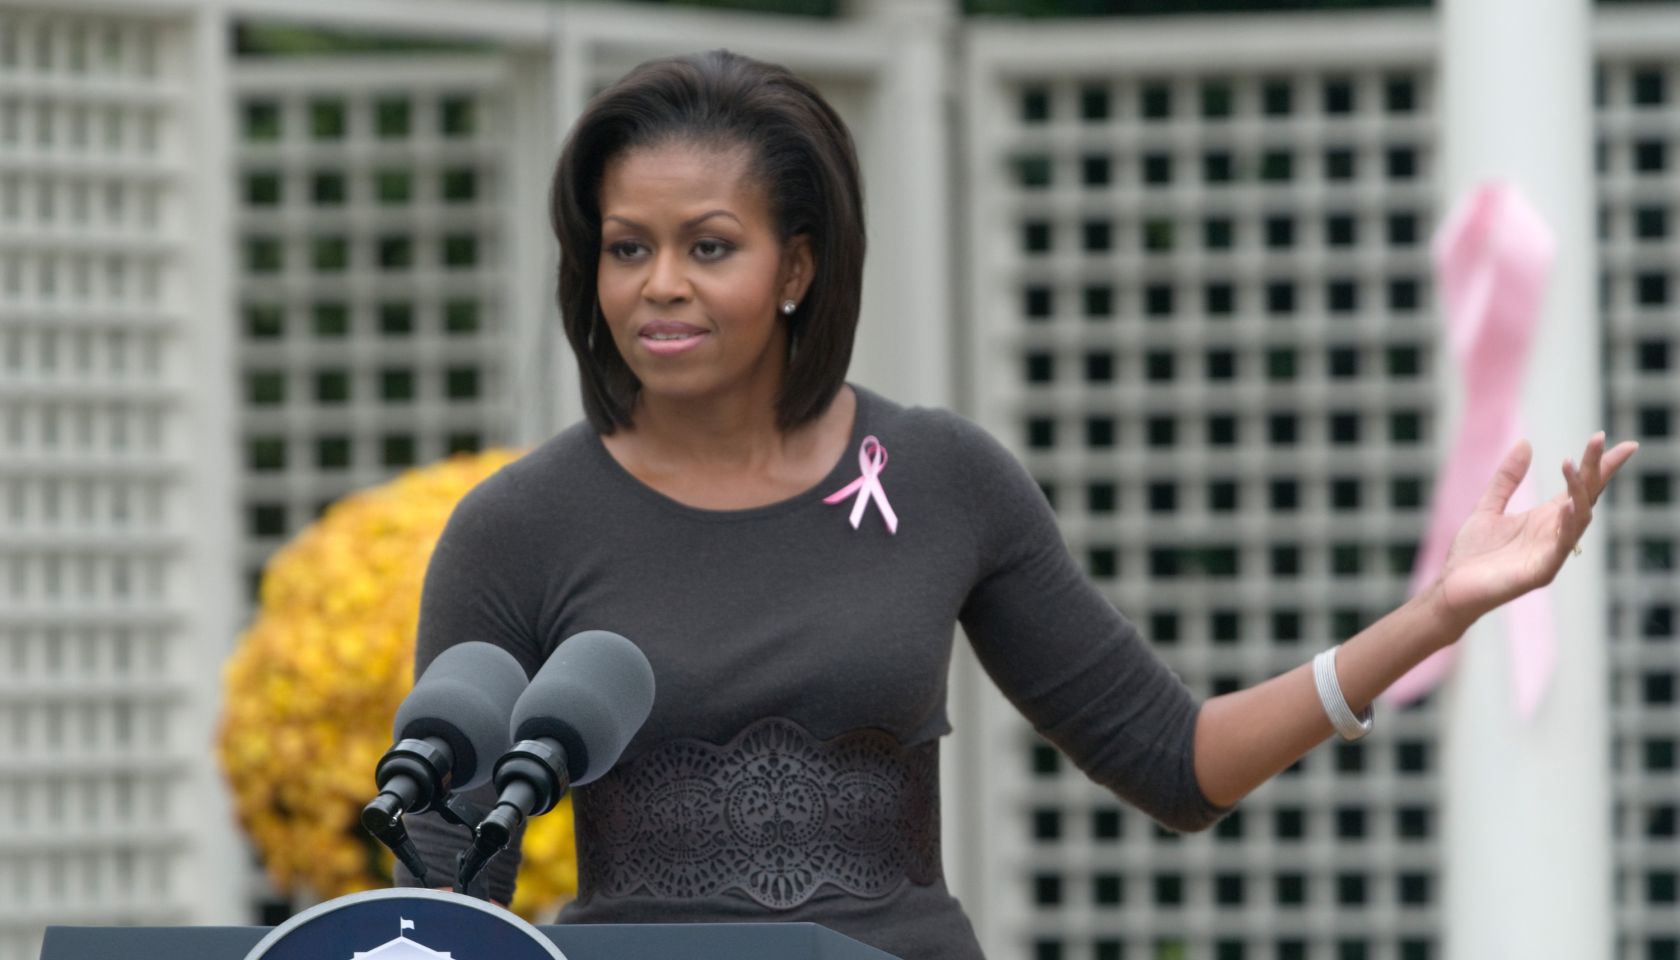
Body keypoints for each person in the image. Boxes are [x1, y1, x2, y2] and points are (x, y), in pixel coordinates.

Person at [398, 49, 1637, 960]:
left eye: (709, 245)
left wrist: (1436, 616)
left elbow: (1175, 763)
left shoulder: (941, 478)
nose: (660, 286)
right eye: (627, 248)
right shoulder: (517, 528)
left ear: (801, 266)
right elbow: (452, 893)